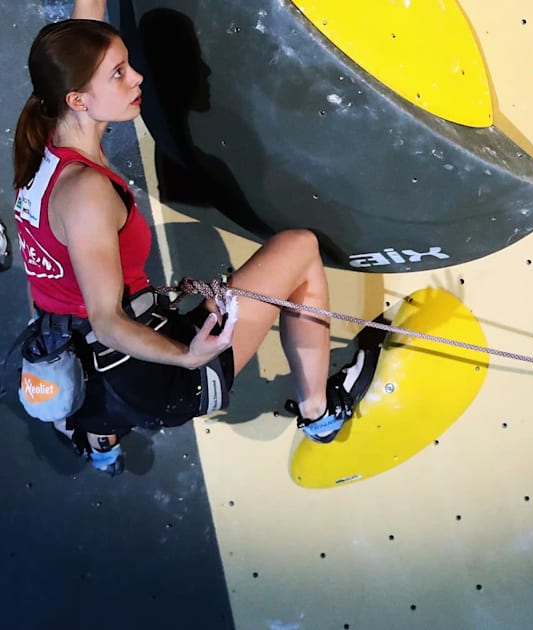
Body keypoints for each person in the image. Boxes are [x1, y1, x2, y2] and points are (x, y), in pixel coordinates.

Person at [10, 1, 374, 474]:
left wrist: (101, 54)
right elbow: (107, 322)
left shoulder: (44, 144)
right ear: (79, 99)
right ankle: (318, 413)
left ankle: (102, 439)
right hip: (153, 377)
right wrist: (187, 356)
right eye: (119, 74)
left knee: (95, 336)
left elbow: (85, 37)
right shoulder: (85, 194)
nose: (137, 77)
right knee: (301, 248)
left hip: (76, 367)